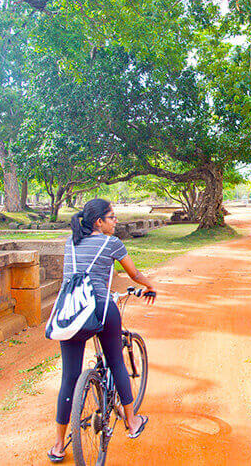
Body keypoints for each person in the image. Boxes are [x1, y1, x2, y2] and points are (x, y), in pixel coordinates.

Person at [48, 198, 159, 463]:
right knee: (116, 362)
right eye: (112, 217)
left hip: (71, 311)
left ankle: (58, 445)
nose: (116, 221)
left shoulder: (70, 242)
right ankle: (132, 423)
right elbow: (133, 274)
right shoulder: (112, 244)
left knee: (70, 377)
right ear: (99, 221)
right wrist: (150, 285)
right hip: (100, 307)